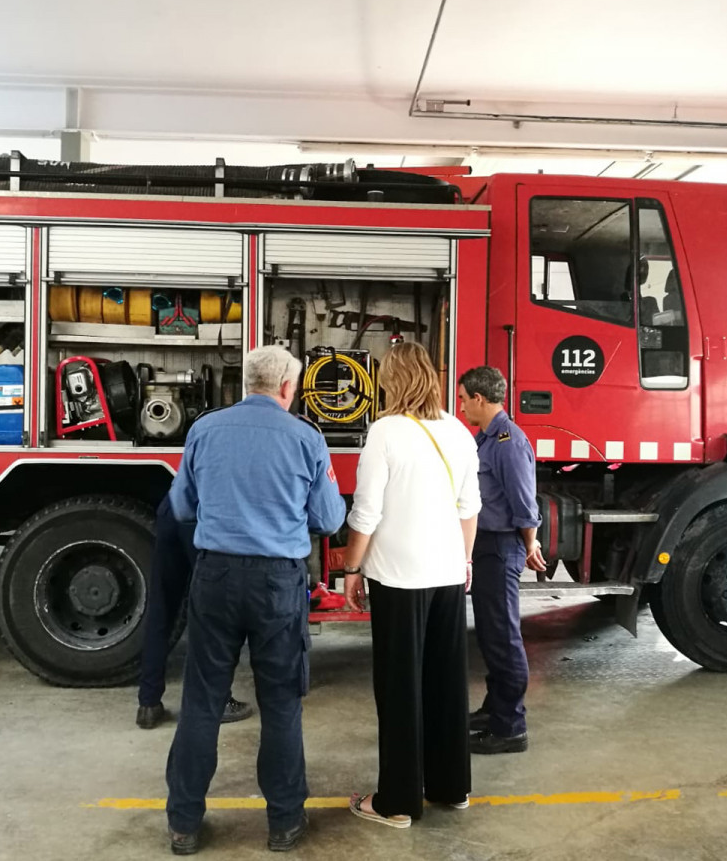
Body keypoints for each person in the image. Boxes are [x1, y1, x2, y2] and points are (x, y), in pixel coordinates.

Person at [164, 345, 346, 855]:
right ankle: (285, 824)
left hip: (215, 576)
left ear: (247, 383)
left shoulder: (204, 429)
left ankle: (183, 825)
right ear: (288, 387)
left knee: (202, 701)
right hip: (277, 584)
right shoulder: (306, 437)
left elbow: (181, 505)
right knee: (281, 704)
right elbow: (329, 520)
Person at [342, 342, 481, 828]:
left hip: (398, 579)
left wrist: (351, 569)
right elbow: (469, 508)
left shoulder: (386, 432)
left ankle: (397, 802)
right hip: (447, 575)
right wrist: (463, 562)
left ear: (392, 381)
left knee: (401, 687)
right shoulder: (460, 432)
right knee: (446, 683)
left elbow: (366, 513)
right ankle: (451, 787)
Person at [457, 366, 546, 755]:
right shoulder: (487, 439)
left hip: (500, 545)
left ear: (479, 398)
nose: (461, 407)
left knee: (503, 638)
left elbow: (524, 502)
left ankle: (511, 727)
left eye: (463, 399)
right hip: (487, 545)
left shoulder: (508, 441)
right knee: (492, 637)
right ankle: (495, 710)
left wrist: (530, 544)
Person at [135, 490, 253, 730]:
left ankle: (148, 703)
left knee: (162, 607)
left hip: (174, 504)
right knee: (213, 613)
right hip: (206, 512)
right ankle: (219, 701)